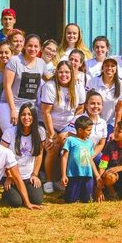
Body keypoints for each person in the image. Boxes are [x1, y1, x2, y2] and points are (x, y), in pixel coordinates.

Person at [41, 61, 86, 193]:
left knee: (68, 145)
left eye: (67, 72)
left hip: (69, 124)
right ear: (56, 73)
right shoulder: (50, 86)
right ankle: (49, 180)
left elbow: (81, 108)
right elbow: (46, 112)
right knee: (52, 147)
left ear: (71, 73)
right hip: (50, 124)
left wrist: (71, 126)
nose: (64, 75)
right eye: (61, 72)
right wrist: (51, 134)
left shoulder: (78, 86)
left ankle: (63, 179)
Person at [0, 102, 45, 208]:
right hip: (13, 175)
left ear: (34, 116)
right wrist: (9, 176)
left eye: (29, 114)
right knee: (16, 203)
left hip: (28, 176)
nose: (26, 117)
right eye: (23, 114)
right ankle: (8, 193)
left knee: (37, 200)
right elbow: (1, 156)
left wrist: (35, 174)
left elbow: (39, 154)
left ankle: (22, 191)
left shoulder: (40, 131)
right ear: (19, 116)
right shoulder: (9, 132)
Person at [0, 34, 48, 132]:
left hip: (31, 107)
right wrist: (13, 110)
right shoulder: (15, 61)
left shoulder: (41, 63)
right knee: (10, 136)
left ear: (40, 48)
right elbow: (7, 86)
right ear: (24, 46)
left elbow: (51, 80)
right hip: (10, 105)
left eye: (36, 46)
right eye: (30, 45)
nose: (32, 49)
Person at [60, 115, 100, 203]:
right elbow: (64, 157)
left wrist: (97, 176)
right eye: (88, 130)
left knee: (87, 200)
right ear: (80, 130)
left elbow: (90, 160)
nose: (90, 132)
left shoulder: (89, 143)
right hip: (74, 175)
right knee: (71, 200)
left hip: (88, 175)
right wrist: (64, 175)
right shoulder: (70, 140)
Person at [85, 57, 122, 133]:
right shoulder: (92, 82)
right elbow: (86, 103)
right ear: (102, 67)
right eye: (107, 65)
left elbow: (119, 109)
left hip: (110, 123)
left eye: (112, 66)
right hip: (92, 121)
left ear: (116, 68)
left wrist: (116, 128)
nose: (109, 68)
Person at [67, 91, 108, 162]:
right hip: (76, 152)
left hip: (92, 153)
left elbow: (101, 144)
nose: (96, 106)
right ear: (86, 105)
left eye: (99, 104)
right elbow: (71, 139)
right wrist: (84, 157)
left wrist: (91, 156)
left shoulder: (103, 123)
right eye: (92, 103)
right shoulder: (77, 119)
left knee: (103, 160)